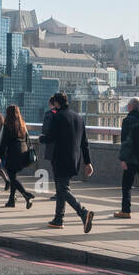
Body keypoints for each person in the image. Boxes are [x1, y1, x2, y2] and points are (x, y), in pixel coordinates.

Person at [41, 93, 95, 232]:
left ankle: (83, 212)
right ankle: (58, 219)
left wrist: (42, 138)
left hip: (60, 157)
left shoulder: (58, 116)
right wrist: (88, 162)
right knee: (61, 188)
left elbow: (51, 137)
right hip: (74, 158)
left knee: (63, 189)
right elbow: (85, 143)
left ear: (57, 103)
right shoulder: (78, 117)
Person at [0, 105, 35, 209]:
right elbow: (27, 140)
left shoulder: (7, 125)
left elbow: (3, 143)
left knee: (12, 178)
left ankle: (26, 194)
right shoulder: (22, 125)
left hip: (12, 153)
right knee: (13, 176)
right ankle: (11, 200)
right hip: (23, 152)